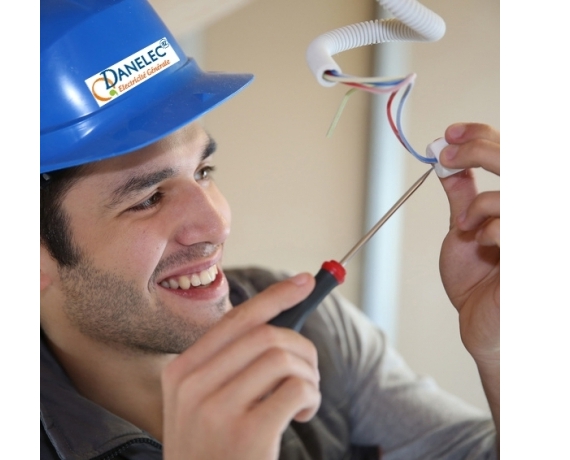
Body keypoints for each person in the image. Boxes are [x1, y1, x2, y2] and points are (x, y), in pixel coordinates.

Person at [40, 0, 500, 458]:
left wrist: (499, 356)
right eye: (148, 199)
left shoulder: (316, 330)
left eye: (203, 171)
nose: (216, 224)